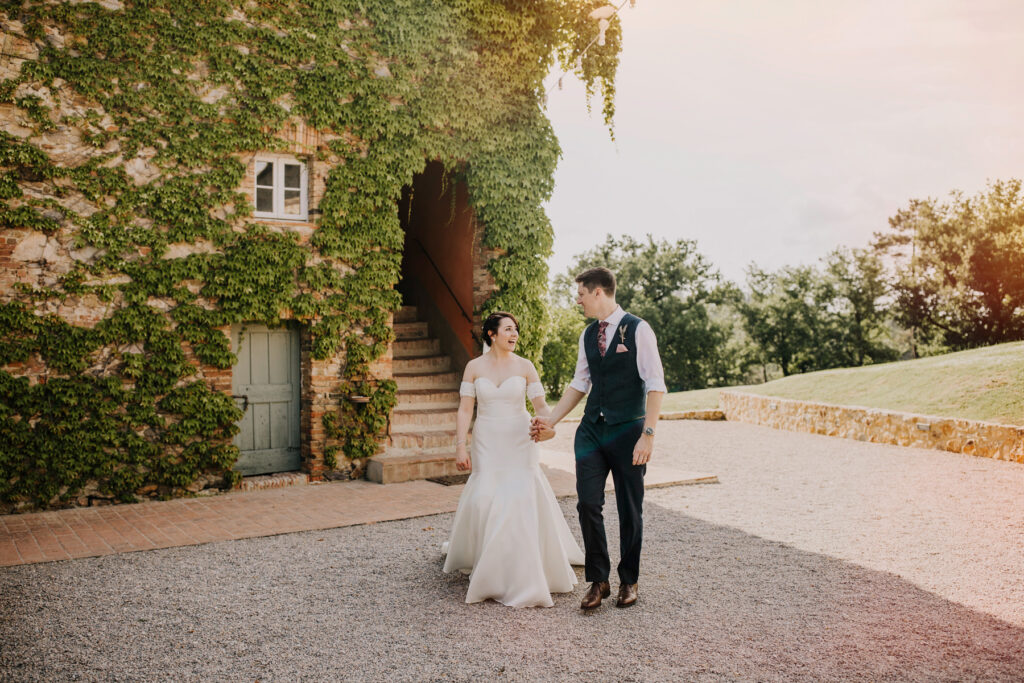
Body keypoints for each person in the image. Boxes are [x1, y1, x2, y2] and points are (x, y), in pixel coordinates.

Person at [531, 267, 665, 609]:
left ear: (598, 293)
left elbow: (655, 385)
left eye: (580, 294)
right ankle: (598, 580)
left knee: (629, 508)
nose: (577, 300)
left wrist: (647, 436)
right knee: (588, 502)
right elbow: (580, 383)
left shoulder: (638, 329)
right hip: (591, 429)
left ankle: (629, 580)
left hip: (629, 430)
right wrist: (550, 420)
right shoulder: (588, 335)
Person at [441, 312, 585, 608]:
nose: (514, 334)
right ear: (491, 334)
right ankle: (489, 560)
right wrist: (460, 446)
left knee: (518, 498)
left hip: (521, 439)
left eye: (516, 329)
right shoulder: (473, 367)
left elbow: (541, 405)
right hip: (487, 440)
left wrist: (547, 426)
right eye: (508, 329)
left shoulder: (526, 366)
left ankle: (522, 565)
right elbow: (465, 410)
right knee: (485, 498)